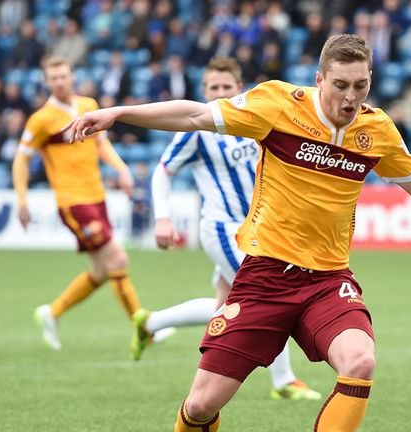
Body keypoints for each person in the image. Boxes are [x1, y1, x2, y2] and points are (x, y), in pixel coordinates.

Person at [64, 34, 411, 431]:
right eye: (340, 85)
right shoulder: (280, 105)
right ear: (319, 79)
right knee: (202, 406)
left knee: (360, 360)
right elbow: (196, 117)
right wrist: (119, 113)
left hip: (327, 281)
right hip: (264, 277)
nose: (349, 97)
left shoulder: (377, 129)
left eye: (360, 86)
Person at [133, 57, 321, 401]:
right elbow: (163, 170)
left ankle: (150, 323)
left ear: (239, 89)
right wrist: (163, 217)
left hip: (261, 226)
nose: (219, 93)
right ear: (204, 92)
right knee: (269, 294)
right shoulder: (199, 130)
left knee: (225, 305)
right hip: (223, 228)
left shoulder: (255, 119)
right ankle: (284, 382)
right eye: (213, 88)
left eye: (226, 87)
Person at [12, 57, 144, 351]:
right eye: (53, 78)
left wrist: (122, 169)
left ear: (73, 76)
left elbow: (101, 144)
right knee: (118, 260)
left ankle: (52, 312)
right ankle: (143, 325)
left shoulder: (89, 105)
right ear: (47, 82)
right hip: (73, 202)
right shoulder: (41, 119)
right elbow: (21, 159)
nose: (59, 81)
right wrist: (22, 200)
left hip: (97, 196)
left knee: (100, 271)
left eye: (63, 76)